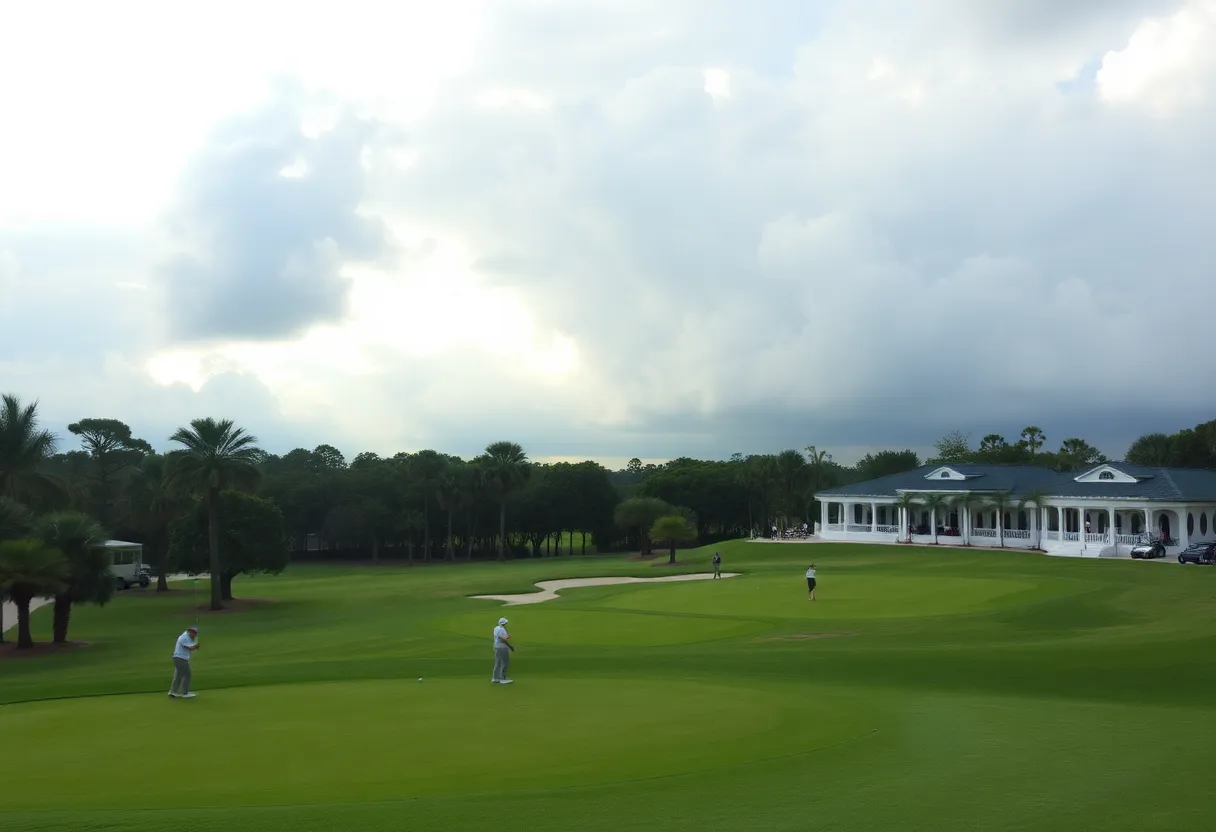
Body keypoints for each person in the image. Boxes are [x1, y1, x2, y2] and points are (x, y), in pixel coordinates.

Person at [169, 626, 199, 698]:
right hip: (180, 659)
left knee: (178, 676)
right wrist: (196, 646)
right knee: (187, 674)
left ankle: (173, 692)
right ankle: (185, 693)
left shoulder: (188, 637)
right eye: (193, 633)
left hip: (179, 659)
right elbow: (189, 647)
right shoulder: (184, 637)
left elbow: (191, 647)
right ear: (190, 632)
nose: (194, 635)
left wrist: (195, 645)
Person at [492, 617, 514, 684]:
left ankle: (495, 678)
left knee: (497, 662)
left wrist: (506, 637)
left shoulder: (496, 628)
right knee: (505, 662)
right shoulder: (501, 630)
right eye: (506, 623)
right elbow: (503, 639)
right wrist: (510, 646)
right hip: (502, 648)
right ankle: (502, 678)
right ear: (504, 623)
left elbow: (499, 637)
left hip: (496, 646)